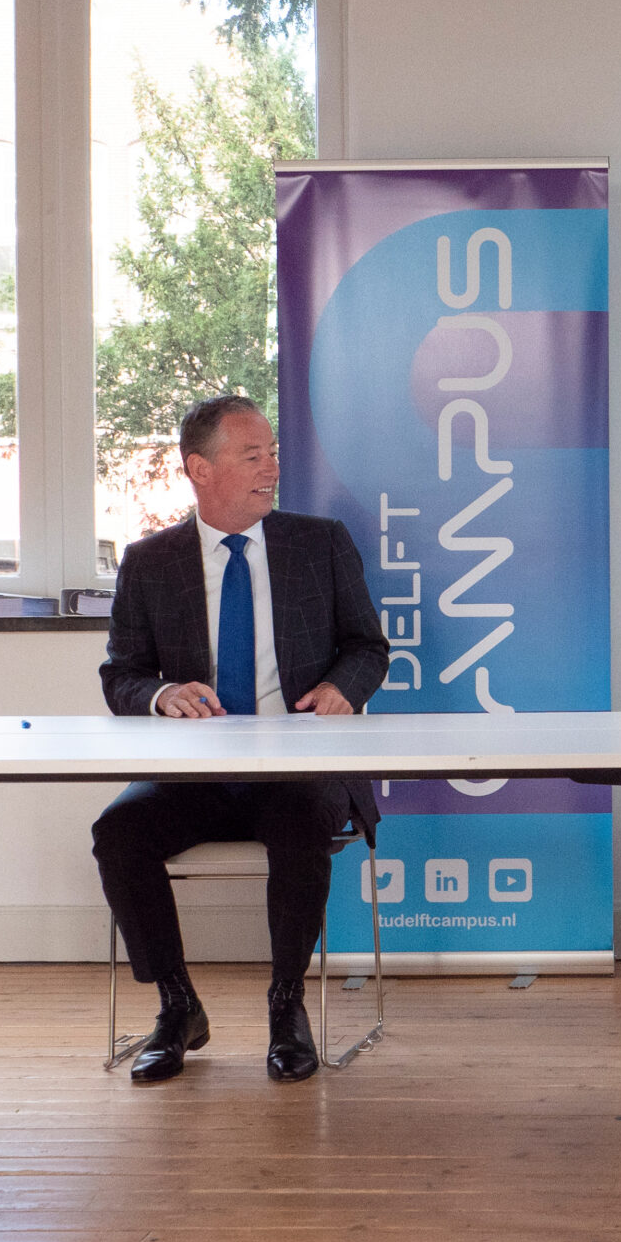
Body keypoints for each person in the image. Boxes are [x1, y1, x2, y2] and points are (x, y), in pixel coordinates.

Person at [94, 394, 390, 1084]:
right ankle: (177, 1005)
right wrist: (162, 694)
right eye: (253, 455)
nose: (272, 468)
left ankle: (287, 1005)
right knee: (119, 832)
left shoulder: (320, 544)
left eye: (274, 453)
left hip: (297, 772)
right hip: (193, 775)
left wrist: (345, 687)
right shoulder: (149, 561)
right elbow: (121, 676)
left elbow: (367, 647)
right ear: (200, 469)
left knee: (300, 824)